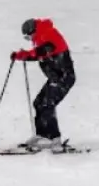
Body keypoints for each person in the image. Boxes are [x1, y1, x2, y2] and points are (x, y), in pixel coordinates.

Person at [11, 18, 76, 150]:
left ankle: (55, 139)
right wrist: (21, 55)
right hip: (55, 78)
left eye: (28, 37)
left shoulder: (48, 33)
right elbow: (37, 54)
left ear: (33, 31)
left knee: (47, 104)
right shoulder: (40, 37)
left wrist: (27, 54)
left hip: (64, 77)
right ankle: (42, 135)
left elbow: (46, 50)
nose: (29, 40)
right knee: (38, 103)